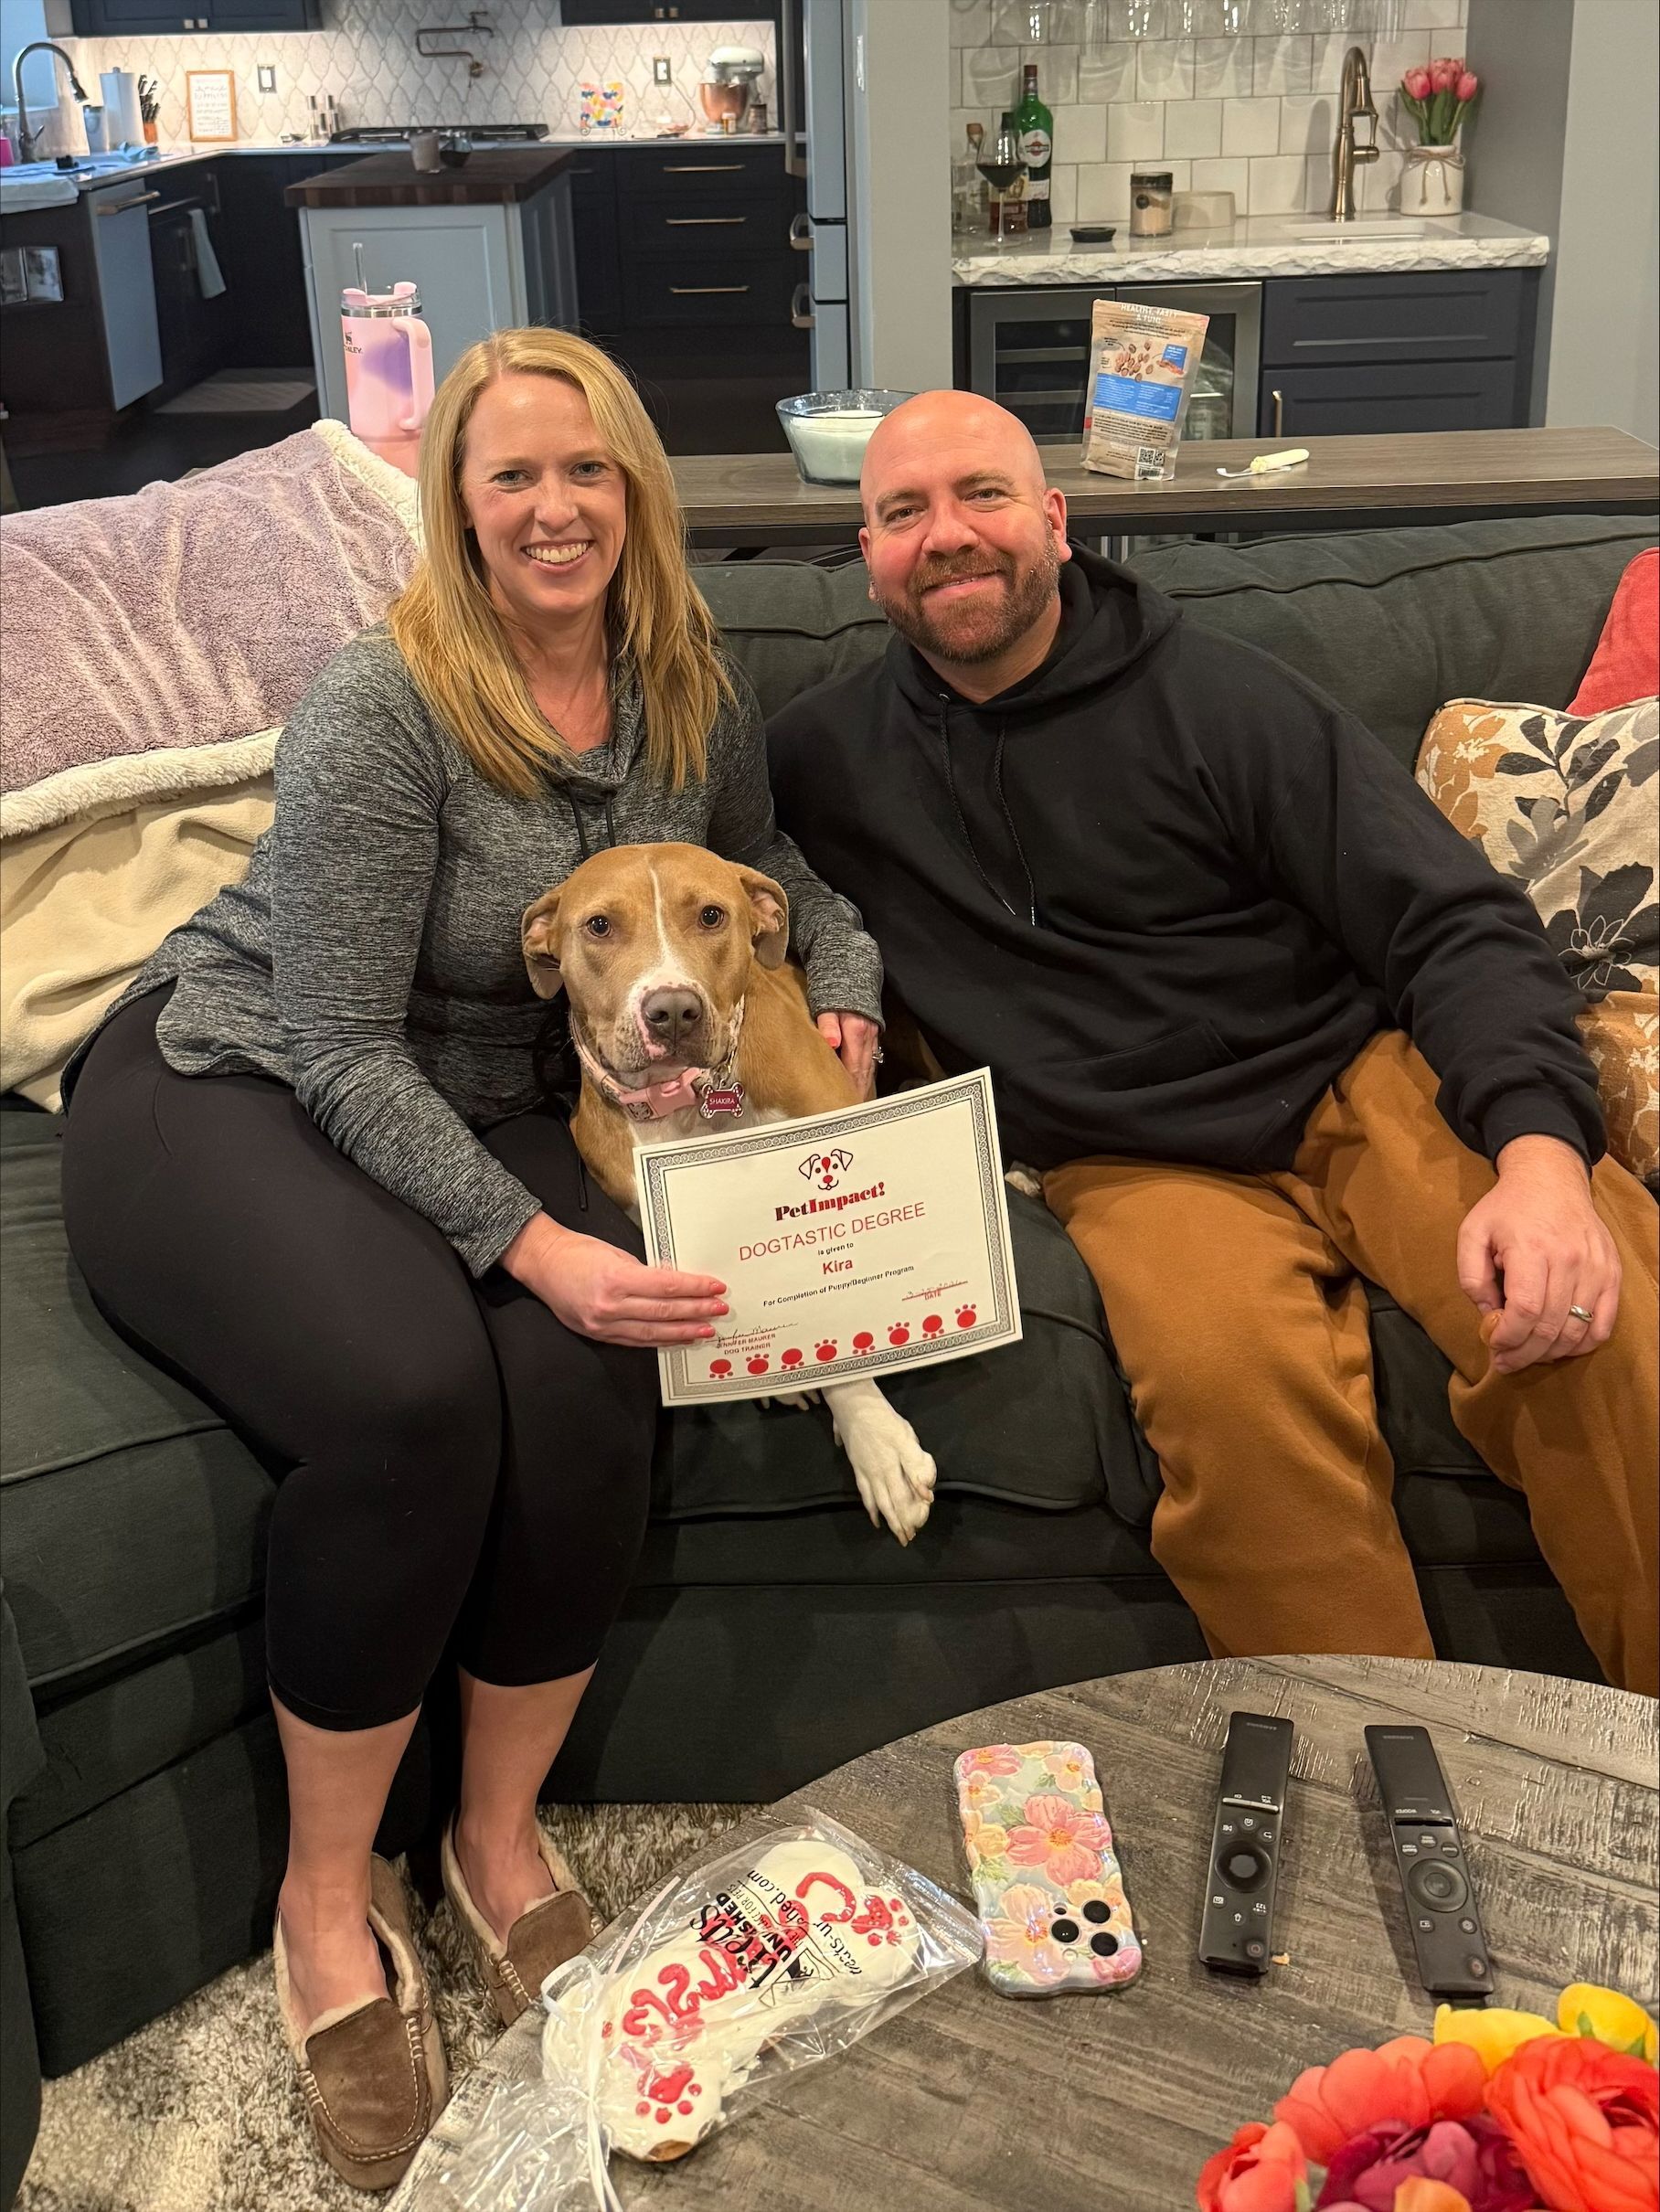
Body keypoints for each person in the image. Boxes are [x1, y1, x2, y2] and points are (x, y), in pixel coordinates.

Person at [59, 328, 882, 2191]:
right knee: (414, 1391)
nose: (552, 506)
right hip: (241, 1068)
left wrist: (834, 993)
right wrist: (533, 1245)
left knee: (595, 1367)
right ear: (456, 506)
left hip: (477, 1083)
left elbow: (783, 884)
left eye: (584, 469)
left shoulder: (683, 683)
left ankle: (493, 1842)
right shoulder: (385, 701)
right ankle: (324, 1907)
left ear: (635, 493)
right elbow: (344, 1044)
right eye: (508, 475)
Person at [767, 389, 1657, 1697]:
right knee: (1235, 1410)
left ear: (1057, 524)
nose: (948, 535)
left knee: (1594, 1325)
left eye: (985, 496)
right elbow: (715, 872)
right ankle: (1386, 1799)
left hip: (1354, 1078)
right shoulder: (820, 759)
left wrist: (1538, 1158)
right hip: (1124, 1159)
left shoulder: (1223, 698)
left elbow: (1453, 920)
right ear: (867, 555)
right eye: (905, 513)